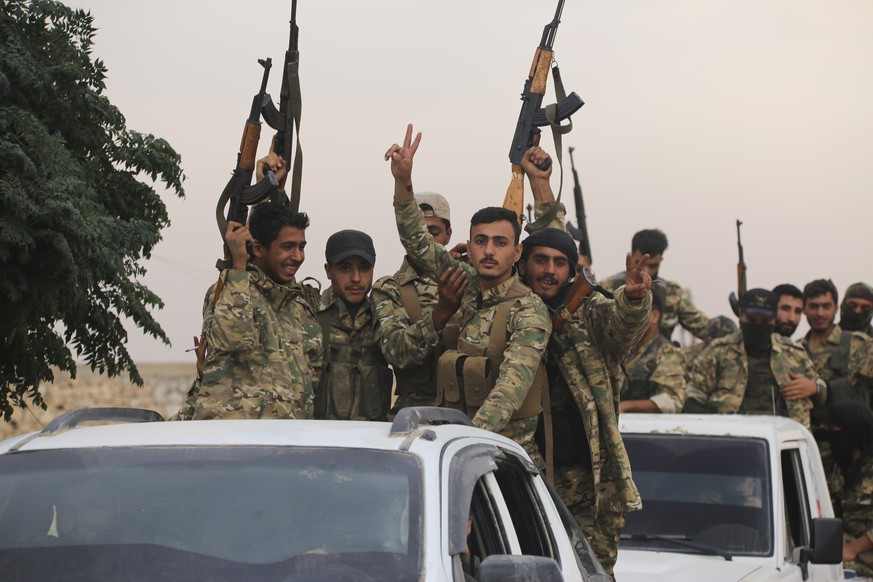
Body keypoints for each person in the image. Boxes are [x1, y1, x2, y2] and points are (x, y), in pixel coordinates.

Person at [518, 145, 652, 575]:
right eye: (541, 261)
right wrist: (540, 185)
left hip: (589, 480)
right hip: (525, 473)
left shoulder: (587, 312)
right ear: (523, 265)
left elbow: (620, 325)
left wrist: (633, 300)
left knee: (591, 571)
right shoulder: (510, 310)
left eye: (560, 263)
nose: (550, 270)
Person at [386, 124, 551, 461]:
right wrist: (403, 183)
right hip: (456, 452)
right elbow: (418, 244)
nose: (489, 251)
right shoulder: (463, 284)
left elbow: (509, 390)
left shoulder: (528, 309)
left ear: (516, 253)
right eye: (481, 241)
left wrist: (466, 446)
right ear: (470, 247)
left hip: (505, 460)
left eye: (500, 242)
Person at [183, 202, 322, 420]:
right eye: (287, 247)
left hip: (288, 440)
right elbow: (232, 338)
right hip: (236, 441)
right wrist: (238, 266)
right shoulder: (231, 290)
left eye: (301, 247)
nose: (297, 256)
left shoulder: (299, 304)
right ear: (257, 248)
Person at [371, 192, 468, 414]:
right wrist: (439, 315)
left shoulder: (468, 280)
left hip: (469, 412)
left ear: (448, 234)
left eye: (432, 232)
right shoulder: (390, 288)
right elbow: (396, 352)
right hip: (415, 414)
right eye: (418, 231)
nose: (423, 240)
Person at [686, 288, 818, 428]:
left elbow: (821, 388)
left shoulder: (793, 353)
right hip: (732, 439)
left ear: (773, 319)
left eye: (764, 320)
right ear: (741, 316)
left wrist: (814, 388)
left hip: (784, 439)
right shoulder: (719, 352)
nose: (758, 325)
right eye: (752, 319)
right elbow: (694, 396)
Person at [315, 229, 393, 421]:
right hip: (317, 441)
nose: (356, 278)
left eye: (364, 268)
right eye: (345, 268)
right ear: (328, 270)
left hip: (369, 443)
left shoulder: (384, 319)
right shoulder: (309, 314)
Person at [598, 228, 709, 340]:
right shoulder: (606, 288)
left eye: (652, 266)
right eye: (639, 263)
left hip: (659, 356)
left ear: (660, 260)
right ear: (631, 257)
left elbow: (704, 328)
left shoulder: (672, 293)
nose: (645, 271)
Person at [817, 401, 873, 577]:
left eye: (833, 430)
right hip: (844, 547)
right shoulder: (839, 465)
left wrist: (853, 548)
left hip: (862, 553)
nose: (830, 436)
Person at [800, 279, 873, 412]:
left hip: (848, 429)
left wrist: (818, 389)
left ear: (836, 308)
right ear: (804, 308)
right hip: (805, 429)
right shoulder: (794, 349)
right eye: (814, 306)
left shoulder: (861, 345)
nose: (820, 313)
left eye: (826, 306)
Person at [620, 283, 687, 414]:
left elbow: (672, 400)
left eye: (636, 313)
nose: (629, 318)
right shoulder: (623, 349)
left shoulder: (667, 352)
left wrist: (626, 406)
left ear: (654, 317)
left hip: (647, 430)